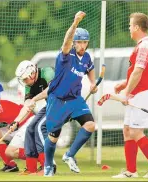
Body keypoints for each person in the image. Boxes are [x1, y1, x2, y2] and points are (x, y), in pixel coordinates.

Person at [43, 11, 98, 177]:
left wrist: (92, 82)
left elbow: (90, 69)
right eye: (79, 42)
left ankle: (69, 155)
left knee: (90, 125)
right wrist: (75, 23)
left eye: (85, 42)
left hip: (75, 99)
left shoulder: (87, 57)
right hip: (57, 100)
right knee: (53, 136)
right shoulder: (66, 55)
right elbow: (66, 41)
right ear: (74, 43)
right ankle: (47, 165)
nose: (82, 45)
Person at [112, 12, 148, 178]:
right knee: (128, 130)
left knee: (135, 132)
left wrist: (126, 92)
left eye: (130, 25)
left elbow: (138, 71)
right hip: (138, 93)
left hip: (144, 94)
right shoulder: (142, 45)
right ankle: (131, 172)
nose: (129, 28)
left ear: (136, 27)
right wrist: (125, 84)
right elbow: (136, 72)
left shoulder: (145, 45)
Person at [13, 61, 56, 175]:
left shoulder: (47, 72)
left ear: (32, 73)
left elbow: (50, 90)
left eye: (25, 79)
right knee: (30, 129)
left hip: (61, 104)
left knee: (39, 128)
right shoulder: (29, 86)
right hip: (50, 106)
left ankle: (48, 166)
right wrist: (16, 121)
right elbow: (27, 105)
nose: (25, 82)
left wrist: (34, 99)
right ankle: (31, 168)